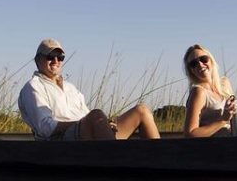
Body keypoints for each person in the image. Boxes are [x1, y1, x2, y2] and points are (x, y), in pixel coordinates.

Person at [18, 38, 161, 141]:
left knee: (141, 110)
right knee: (96, 116)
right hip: (60, 141)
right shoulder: (33, 86)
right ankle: (116, 162)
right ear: (38, 60)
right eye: (50, 56)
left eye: (60, 57)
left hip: (86, 132)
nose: (56, 61)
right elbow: (45, 128)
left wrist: (103, 123)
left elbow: (86, 115)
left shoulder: (70, 88)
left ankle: (162, 161)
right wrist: (89, 122)